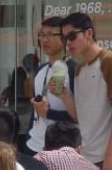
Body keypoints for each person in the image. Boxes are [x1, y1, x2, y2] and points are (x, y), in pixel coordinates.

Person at [60, 13, 112, 170]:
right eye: (64, 38)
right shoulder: (78, 69)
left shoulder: (110, 61)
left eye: (72, 36)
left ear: (89, 33)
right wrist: (62, 94)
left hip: (110, 157)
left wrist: (110, 154)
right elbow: (80, 114)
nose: (68, 43)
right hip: (87, 157)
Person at [27, 15, 76, 160]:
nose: (45, 40)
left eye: (51, 34)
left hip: (63, 148)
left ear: (64, 38)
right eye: (42, 35)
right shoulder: (41, 69)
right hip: (34, 145)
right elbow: (36, 111)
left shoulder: (73, 69)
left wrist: (48, 113)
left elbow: (80, 116)